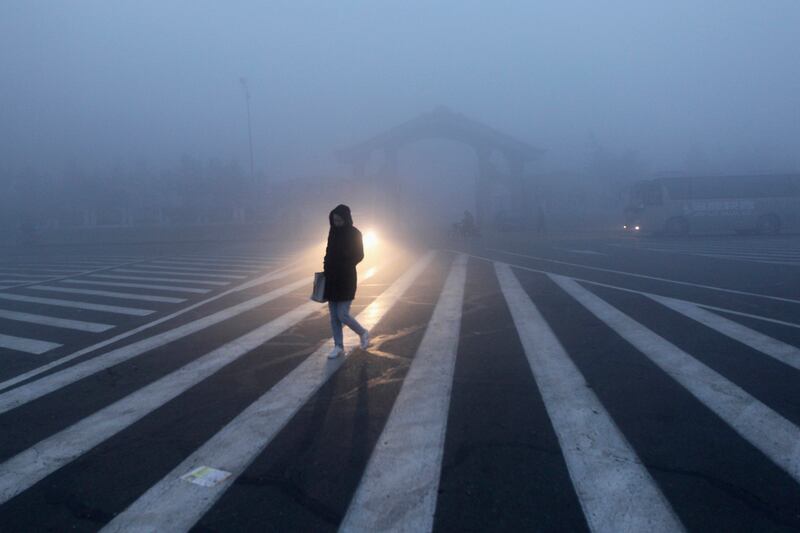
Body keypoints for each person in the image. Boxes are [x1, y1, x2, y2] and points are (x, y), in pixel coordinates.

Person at [323, 204, 369, 359]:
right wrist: (326, 266)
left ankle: (362, 332)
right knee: (333, 317)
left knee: (342, 314)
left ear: (346, 219)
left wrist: (344, 263)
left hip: (346, 278)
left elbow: (360, 255)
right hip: (331, 278)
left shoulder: (355, 233)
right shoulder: (333, 232)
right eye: (334, 219)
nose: (336, 222)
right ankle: (338, 346)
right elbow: (328, 251)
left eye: (339, 220)